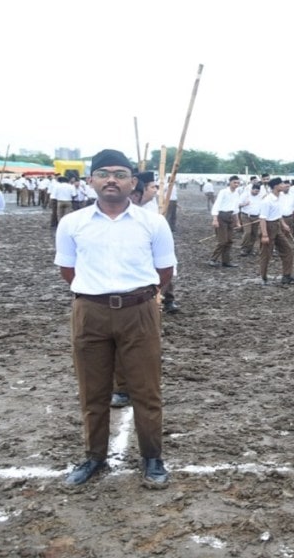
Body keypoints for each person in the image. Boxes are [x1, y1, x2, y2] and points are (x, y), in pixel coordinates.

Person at [55, 149, 176, 489]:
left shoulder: (153, 222)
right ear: (91, 180)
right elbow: (68, 269)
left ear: (132, 182)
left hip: (140, 312)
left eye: (120, 174)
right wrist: (98, 294)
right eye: (104, 173)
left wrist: (138, 297)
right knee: (92, 391)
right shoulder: (72, 223)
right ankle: (94, 457)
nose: (112, 179)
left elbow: (164, 270)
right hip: (89, 312)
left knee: (146, 390)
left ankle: (152, 457)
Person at [258, 178, 294, 285]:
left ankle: (286, 276)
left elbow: (278, 214)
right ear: (275, 186)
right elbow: (262, 219)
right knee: (266, 254)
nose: (284, 185)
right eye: (282, 184)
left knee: (288, 250)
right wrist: (264, 235)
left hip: (277, 226)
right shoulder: (267, 200)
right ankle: (263, 277)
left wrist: (283, 224)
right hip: (268, 227)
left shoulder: (280, 197)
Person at [208, 176, 242, 268]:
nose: (236, 185)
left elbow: (236, 209)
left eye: (238, 183)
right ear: (230, 182)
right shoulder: (223, 192)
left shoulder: (236, 193)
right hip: (221, 216)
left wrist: (238, 222)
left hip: (230, 217)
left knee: (229, 241)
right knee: (222, 241)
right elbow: (216, 205)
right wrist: (215, 219)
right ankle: (213, 259)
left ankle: (226, 261)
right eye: (234, 182)